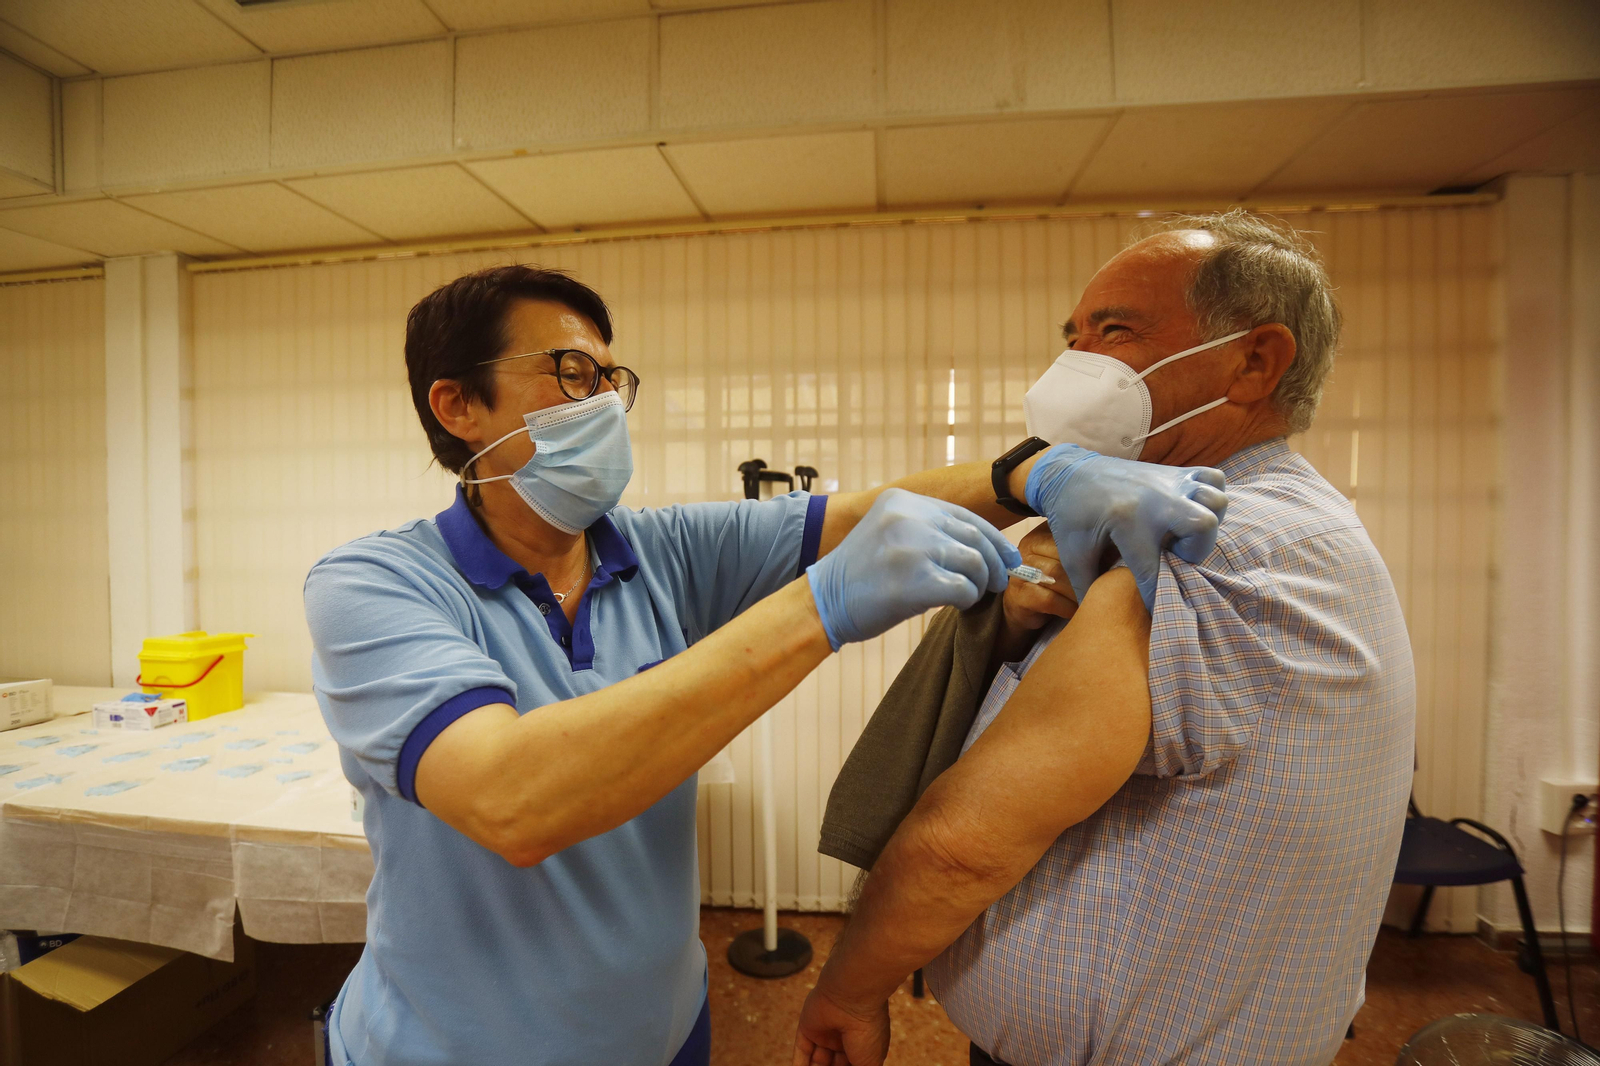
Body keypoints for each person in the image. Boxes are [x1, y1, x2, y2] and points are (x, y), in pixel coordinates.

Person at [302, 264, 1227, 1066]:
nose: (600, 405)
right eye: (568, 375)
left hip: (661, 1030)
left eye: (609, 379)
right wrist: (817, 609)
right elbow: (515, 799)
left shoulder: (654, 551)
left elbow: (853, 514)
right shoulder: (376, 585)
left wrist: (1033, 474)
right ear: (458, 404)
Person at [795, 211, 1416, 1066]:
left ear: (1254, 361)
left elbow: (961, 845)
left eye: (1115, 331)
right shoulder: (1292, 522)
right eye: (1073, 336)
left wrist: (846, 993)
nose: (1074, 364)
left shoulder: (1204, 548)